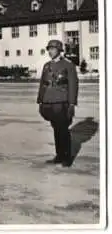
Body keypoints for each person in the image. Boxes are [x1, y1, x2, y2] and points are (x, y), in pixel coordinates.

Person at [37, 39, 79, 167]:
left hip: (62, 102)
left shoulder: (68, 65)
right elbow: (42, 84)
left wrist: (71, 104)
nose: (50, 51)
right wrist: (40, 100)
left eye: (53, 49)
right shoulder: (46, 65)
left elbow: (73, 85)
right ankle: (59, 155)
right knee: (56, 129)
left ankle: (67, 157)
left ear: (59, 50)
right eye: (49, 49)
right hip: (49, 101)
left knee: (63, 130)